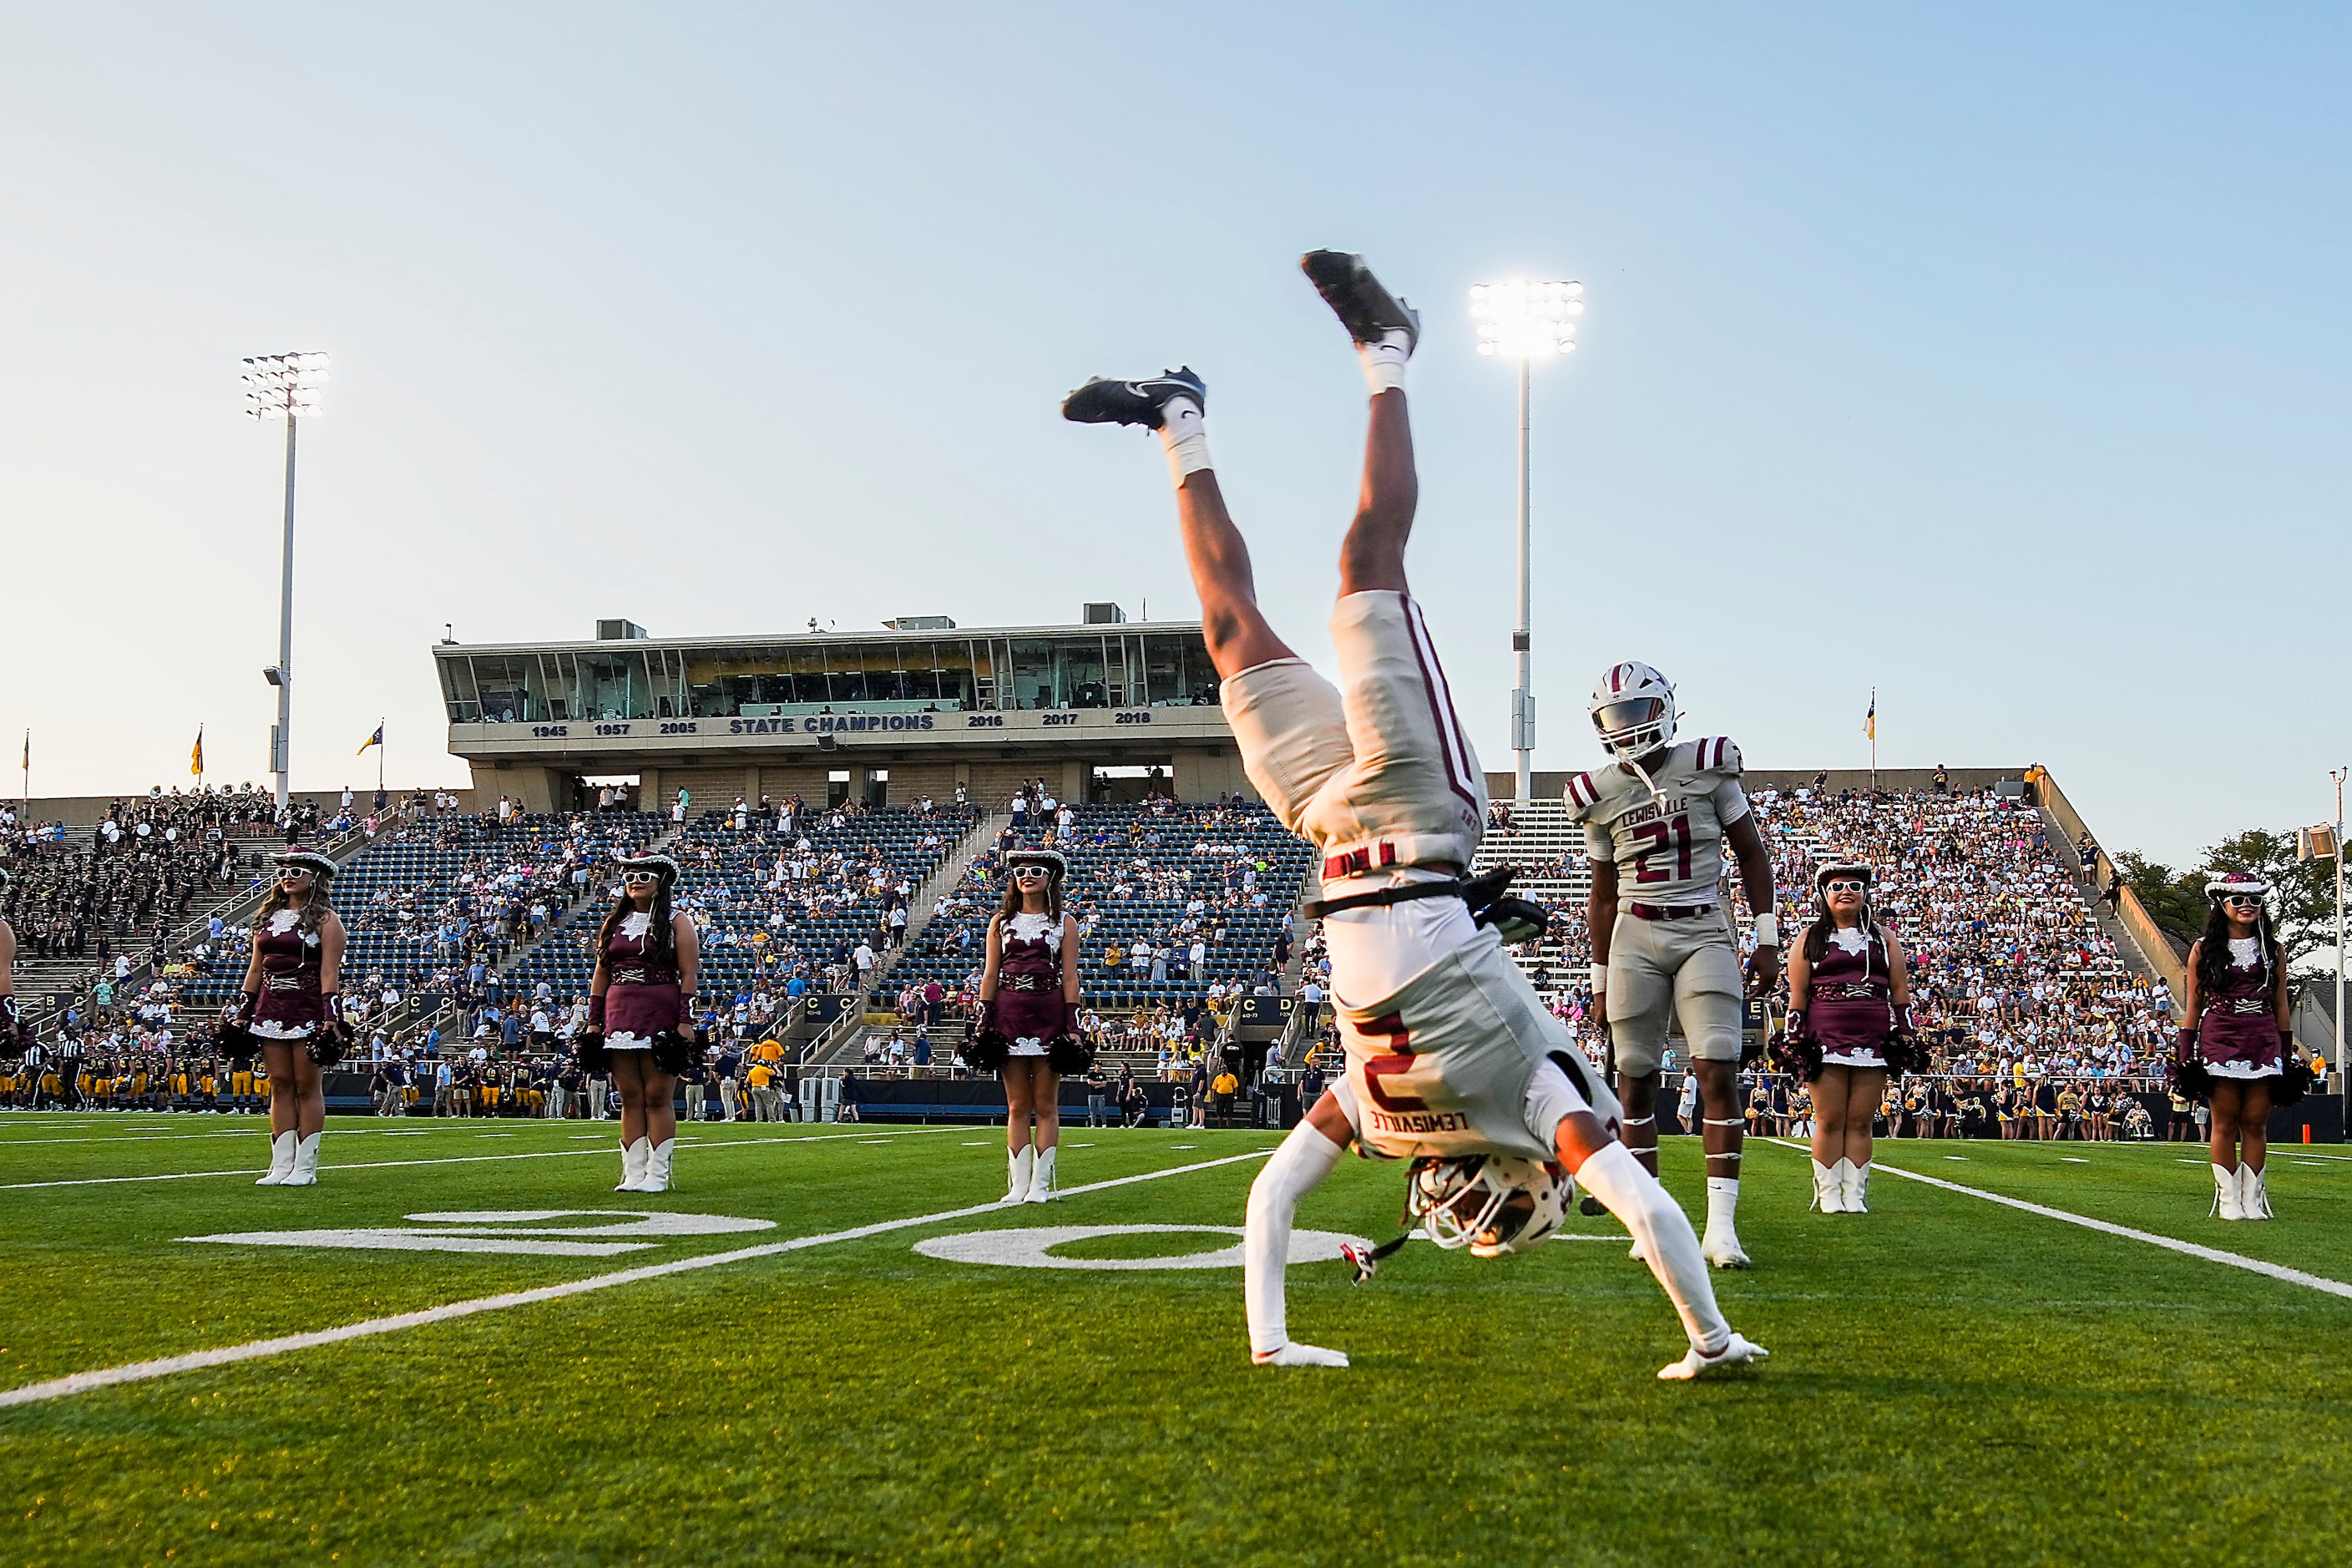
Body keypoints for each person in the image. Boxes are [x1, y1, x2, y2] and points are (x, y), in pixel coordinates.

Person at [1063, 248, 1763, 1379]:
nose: (1460, 1199)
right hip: (1420, 812)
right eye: (1490, 1208)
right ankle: (1388, 348)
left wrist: (1273, 1339)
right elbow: (1638, 1203)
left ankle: (1177, 416)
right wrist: (1710, 1340)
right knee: (1361, 566)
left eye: (1462, 1212)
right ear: (1524, 1190)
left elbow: (1273, 1191)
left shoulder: (1381, 1118)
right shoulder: (1539, 1101)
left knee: (1229, 632)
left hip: (1331, 833)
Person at [1564, 663, 1779, 1266]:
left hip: (1703, 927)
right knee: (1632, 1078)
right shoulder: (1597, 791)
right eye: (1614, 717)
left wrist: (1765, 937)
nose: (1625, 727)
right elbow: (1602, 893)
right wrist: (1599, 980)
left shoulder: (1707, 763)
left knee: (1716, 1069)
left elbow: (1751, 854)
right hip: (1635, 934)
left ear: (1661, 709)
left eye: (1634, 712)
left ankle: (1720, 1227)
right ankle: (1650, 1219)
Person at [1775, 862, 1916, 1213]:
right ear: (1825, 895)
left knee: (1860, 1119)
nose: (1846, 892)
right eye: (1837, 886)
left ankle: (1854, 1194)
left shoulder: (1884, 939)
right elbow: (1798, 995)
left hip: (1874, 1036)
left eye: (1854, 885)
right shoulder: (1809, 938)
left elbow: (1899, 991)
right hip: (1825, 1037)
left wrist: (1906, 1032)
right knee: (1830, 1118)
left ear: (1865, 893)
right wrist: (1793, 1040)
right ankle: (1827, 1194)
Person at [217, 848, 349, 1186]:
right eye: (283, 873)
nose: (287, 878)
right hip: (270, 1006)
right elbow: (255, 969)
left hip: (308, 1006)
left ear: (314, 878)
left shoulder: (326, 920)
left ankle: (305, 1167)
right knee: (278, 1084)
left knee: (307, 1085)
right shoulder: (267, 919)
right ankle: (280, 1165)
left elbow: (329, 973)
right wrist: (243, 1013)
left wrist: (330, 1018)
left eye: (297, 872)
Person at [2176, 873, 2297, 1220]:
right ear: (2222, 905)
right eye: (2238, 900)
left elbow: (2281, 1003)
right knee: (2225, 1121)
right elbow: (2194, 1004)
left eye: (2255, 900)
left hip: (2262, 1036)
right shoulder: (2203, 948)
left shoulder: (2273, 949)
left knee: (2256, 1121)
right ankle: (2229, 1201)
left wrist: (2285, 1049)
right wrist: (2187, 1054)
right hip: (2220, 1036)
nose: (2247, 907)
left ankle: (2252, 1200)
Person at [579, 852, 700, 1193]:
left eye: (643, 877)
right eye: (630, 876)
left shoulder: (678, 921)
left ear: (660, 883)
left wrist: (684, 1019)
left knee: (657, 1094)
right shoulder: (614, 922)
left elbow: (689, 974)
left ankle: (658, 1176)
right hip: (619, 1011)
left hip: (659, 1008)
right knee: (629, 1095)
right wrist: (593, 1021)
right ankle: (632, 1174)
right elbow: (601, 973)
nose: (634, 882)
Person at [971, 847, 1084, 1203]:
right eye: (1020, 871)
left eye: (1036, 870)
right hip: (1008, 1012)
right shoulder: (999, 922)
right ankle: (1018, 1185)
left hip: (1049, 1012)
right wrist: (984, 1018)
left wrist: (1072, 1023)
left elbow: (1069, 976)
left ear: (1050, 879)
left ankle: (1040, 1186)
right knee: (1017, 1105)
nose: (1027, 876)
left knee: (1046, 1103)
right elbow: (991, 973)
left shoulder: (1064, 922)